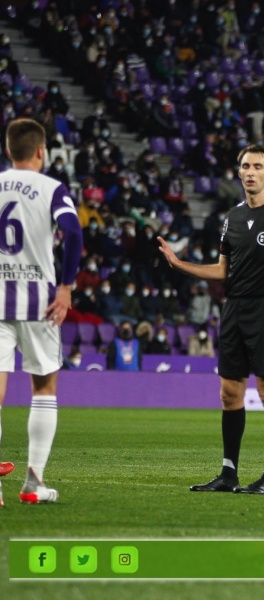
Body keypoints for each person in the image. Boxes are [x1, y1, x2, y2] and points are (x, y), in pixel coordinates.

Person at [158, 144, 264, 495]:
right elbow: (222, 270)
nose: (250, 172)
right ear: (239, 172)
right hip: (234, 308)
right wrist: (180, 265)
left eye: (257, 166)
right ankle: (228, 473)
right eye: (245, 166)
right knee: (229, 394)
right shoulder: (233, 217)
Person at [0, 118, 83, 505]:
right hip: (39, 303)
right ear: (40, 151)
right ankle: (33, 483)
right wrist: (65, 287)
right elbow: (74, 232)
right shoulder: (52, 188)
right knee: (44, 387)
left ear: (8, 150)